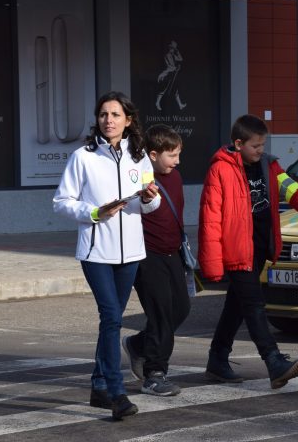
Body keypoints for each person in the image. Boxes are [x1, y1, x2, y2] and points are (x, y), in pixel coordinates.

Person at [198, 114, 298, 389]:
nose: (261, 150)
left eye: (263, 145)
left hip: (259, 248)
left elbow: (297, 195)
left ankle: (217, 360)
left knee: (236, 307)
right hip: (237, 251)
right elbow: (210, 218)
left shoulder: (270, 167)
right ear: (238, 143)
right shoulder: (221, 170)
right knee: (253, 305)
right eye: (256, 146)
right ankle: (273, 360)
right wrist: (212, 265)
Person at [53, 91, 160, 420]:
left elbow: (149, 206)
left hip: (130, 253)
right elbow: (62, 202)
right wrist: (96, 212)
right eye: (103, 114)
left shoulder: (139, 158)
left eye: (115, 115)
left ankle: (99, 385)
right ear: (97, 120)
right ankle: (116, 392)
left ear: (128, 120)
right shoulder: (82, 157)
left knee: (111, 322)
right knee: (111, 318)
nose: (108, 120)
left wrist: (150, 197)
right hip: (96, 251)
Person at [121, 124, 190, 397]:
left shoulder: (176, 177)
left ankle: (139, 344)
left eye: (178, 154)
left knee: (181, 309)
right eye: (172, 155)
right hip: (147, 257)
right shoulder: (138, 179)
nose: (177, 161)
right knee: (161, 314)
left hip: (172, 254)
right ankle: (155, 374)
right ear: (152, 154)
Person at [155, 41, 185, 111]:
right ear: (170, 48)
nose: (173, 50)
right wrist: (176, 68)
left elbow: (181, 59)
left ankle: (180, 105)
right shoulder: (167, 55)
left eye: (174, 49)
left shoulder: (174, 55)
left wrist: (177, 52)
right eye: (172, 48)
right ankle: (157, 103)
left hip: (173, 74)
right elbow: (170, 66)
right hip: (167, 74)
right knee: (164, 89)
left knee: (175, 90)